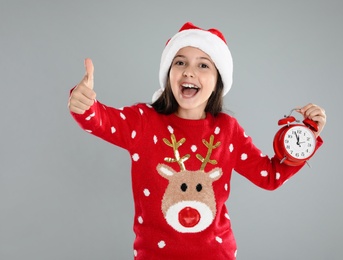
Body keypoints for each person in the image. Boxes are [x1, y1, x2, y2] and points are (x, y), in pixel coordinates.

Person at [68, 22, 326, 260]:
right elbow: (100, 119)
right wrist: (84, 103)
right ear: (168, 73)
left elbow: (270, 176)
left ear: (217, 82)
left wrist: (306, 139)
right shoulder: (143, 121)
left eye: (203, 65)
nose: (189, 71)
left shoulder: (228, 130)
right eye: (180, 63)